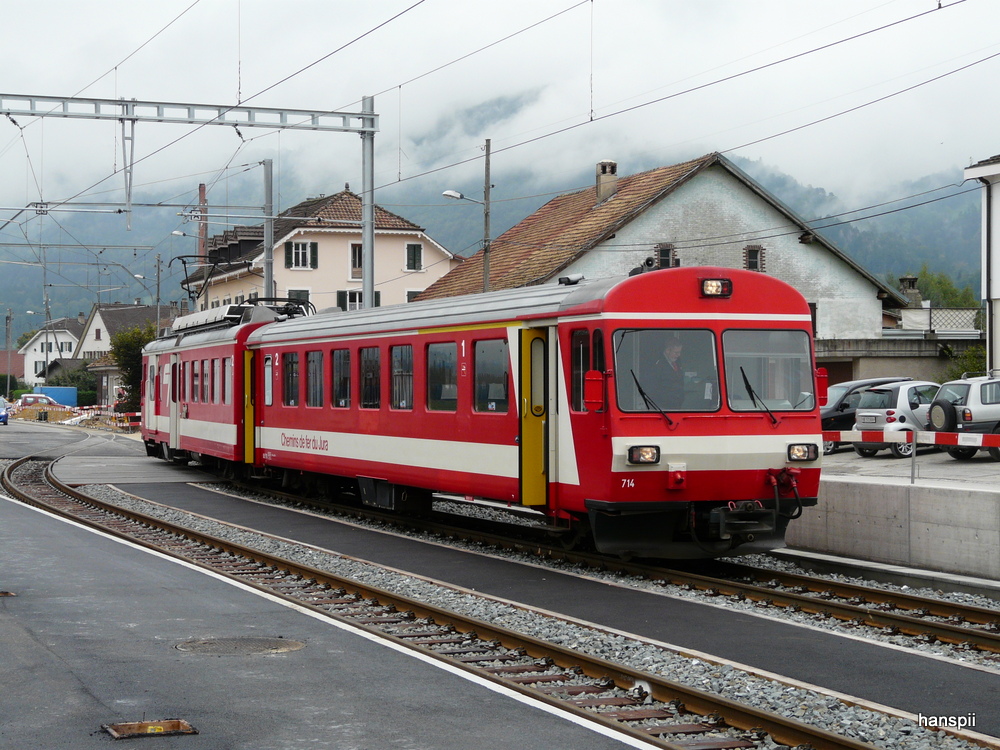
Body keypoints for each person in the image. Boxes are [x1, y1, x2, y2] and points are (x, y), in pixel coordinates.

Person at [655, 338, 685, 408]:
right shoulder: (658, 365)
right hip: (663, 406)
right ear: (668, 350)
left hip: (676, 404)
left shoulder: (677, 362)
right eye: (676, 352)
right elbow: (654, 387)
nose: (678, 355)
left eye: (680, 352)